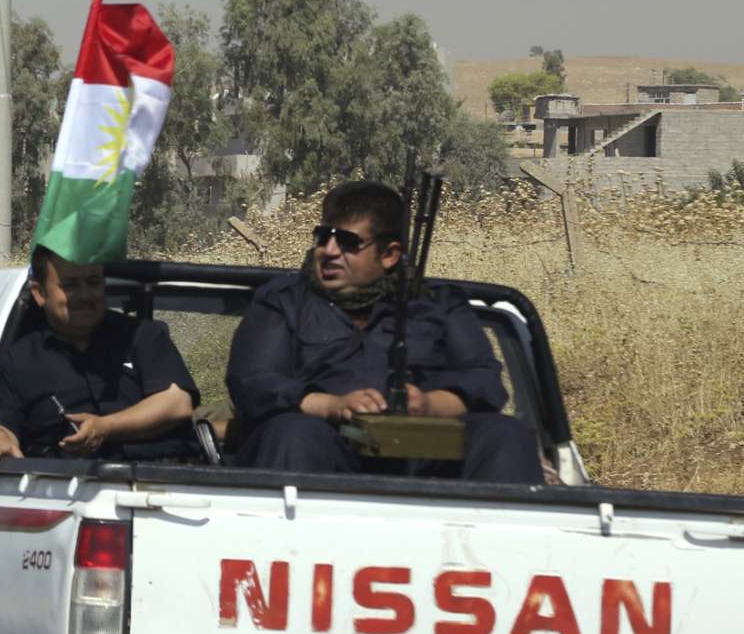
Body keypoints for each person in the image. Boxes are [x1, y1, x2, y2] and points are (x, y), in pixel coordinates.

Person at [224, 180, 540, 483]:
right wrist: (332, 406)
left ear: (389, 254)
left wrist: (428, 404)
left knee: (505, 434)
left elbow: (483, 381)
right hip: (321, 450)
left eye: (348, 242)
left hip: (424, 457)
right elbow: (253, 383)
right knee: (292, 434)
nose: (330, 251)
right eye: (323, 237)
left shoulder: (439, 304)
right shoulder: (284, 301)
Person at [0, 248, 199, 473]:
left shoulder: (143, 335)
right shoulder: (17, 361)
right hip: (59, 492)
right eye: (69, 285)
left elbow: (177, 403)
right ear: (39, 293)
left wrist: (105, 427)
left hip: (167, 482)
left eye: (93, 282)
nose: (84, 295)